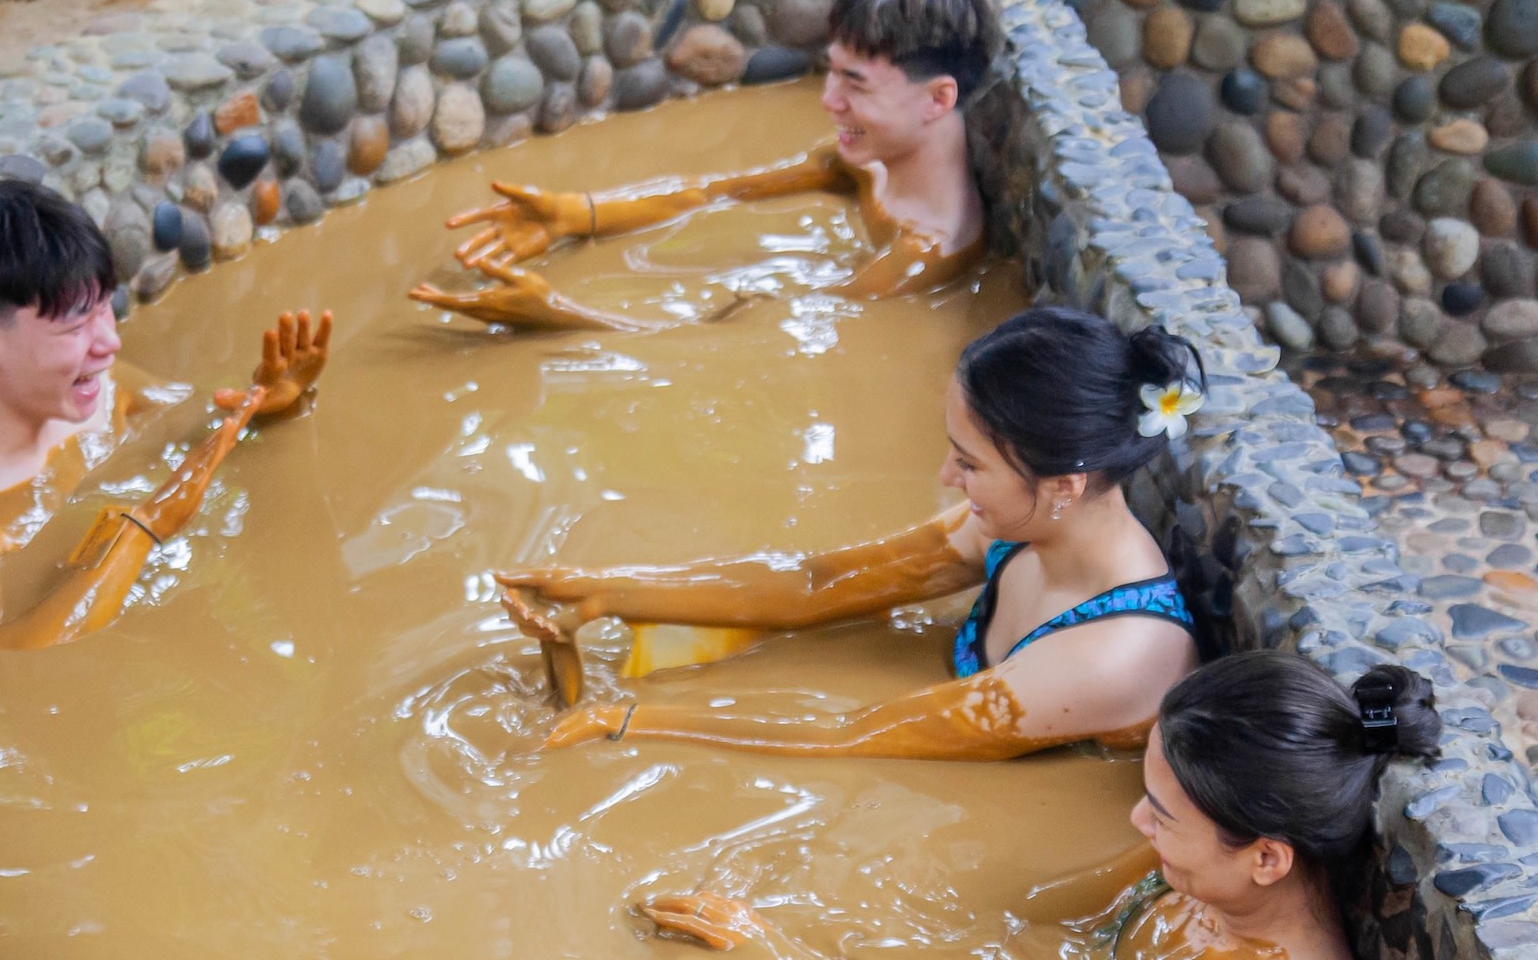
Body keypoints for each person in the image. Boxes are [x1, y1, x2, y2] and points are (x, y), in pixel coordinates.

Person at [635, 652, 1439, 960]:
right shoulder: (1189, 877)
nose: (1137, 820)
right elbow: (1014, 933)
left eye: (1161, 813)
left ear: (1266, 857)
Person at [509, 307, 1206, 758]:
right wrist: (604, 593)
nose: (946, 476)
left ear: (1063, 485)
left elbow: (856, 735)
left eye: (969, 464)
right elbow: (820, 582)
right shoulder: (1024, 522)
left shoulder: (1111, 655)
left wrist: (628, 722)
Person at [407, 0, 1005, 333]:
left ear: (937, 99)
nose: (828, 100)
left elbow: (737, 336)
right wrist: (578, 213)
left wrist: (560, 314)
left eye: (856, 83)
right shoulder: (871, 159)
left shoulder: (924, 253)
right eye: (831, 72)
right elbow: (717, 192)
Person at [0, 176, 333, 650]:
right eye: (76, 326)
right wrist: (144, 527)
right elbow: (1, 656)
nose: (111, 342)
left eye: (104, 309)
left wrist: (271, 405)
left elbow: (204, 428)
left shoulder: (106, 390)